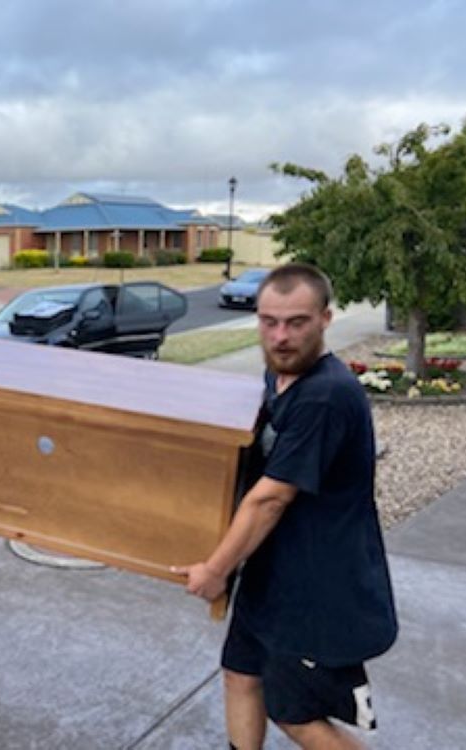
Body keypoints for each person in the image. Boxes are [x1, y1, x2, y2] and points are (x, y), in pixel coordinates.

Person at [173, 263, 397, 750]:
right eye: (269, 321)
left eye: (297, 322)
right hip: (272, 574)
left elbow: (271, 497)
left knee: (296, 716)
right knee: (240, 675)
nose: (280, 337)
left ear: (325, 319)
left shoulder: (325, 395)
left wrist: (216, 570)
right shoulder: (281, 378)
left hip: (317, 590)